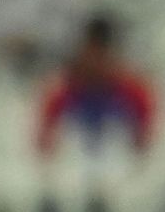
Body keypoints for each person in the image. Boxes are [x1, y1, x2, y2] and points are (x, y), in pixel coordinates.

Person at [36, 16, 158, 155]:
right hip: (84, 120)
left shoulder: (129, 87)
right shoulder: (68, 86)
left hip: (110, 124)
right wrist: (46, 138)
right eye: (90, 53)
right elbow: (48, 121)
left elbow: (145, 118)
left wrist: (142, 137)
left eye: (100, 56)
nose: (94, 62)